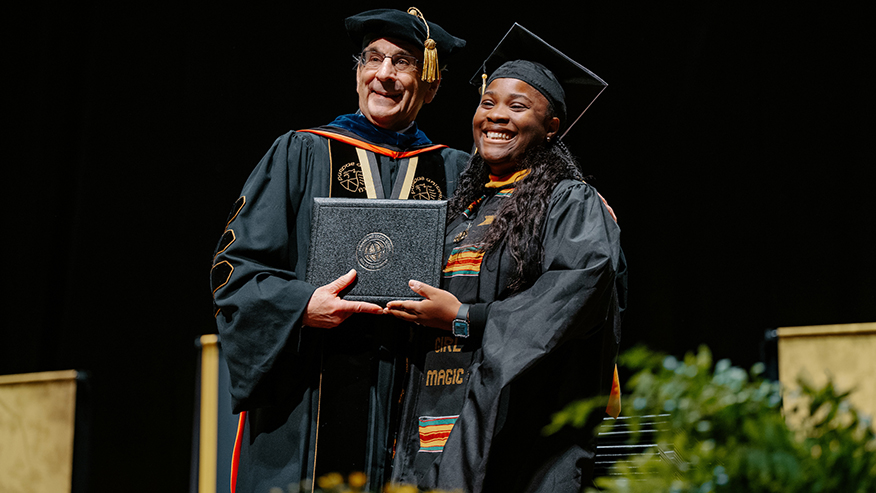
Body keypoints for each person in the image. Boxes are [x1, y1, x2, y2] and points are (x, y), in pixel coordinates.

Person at [210, 8, 467, 493]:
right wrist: (302, 305)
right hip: (308, 402)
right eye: (372, 59)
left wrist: (572, 192)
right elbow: (235, 271)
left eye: (404, 62)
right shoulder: (300, 153)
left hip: (413, 404)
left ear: (430, 84)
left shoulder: (456, 171)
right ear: (357, 72)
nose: (383, 75)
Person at [385, 24, 624, 493]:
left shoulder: (569, 202)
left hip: (517, 442)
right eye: (488, 102)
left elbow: (573, 296)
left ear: (551, 126)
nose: (496, 116)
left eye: (518, 106)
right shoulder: (458, 209)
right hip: (432, 426)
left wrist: (463, 318)